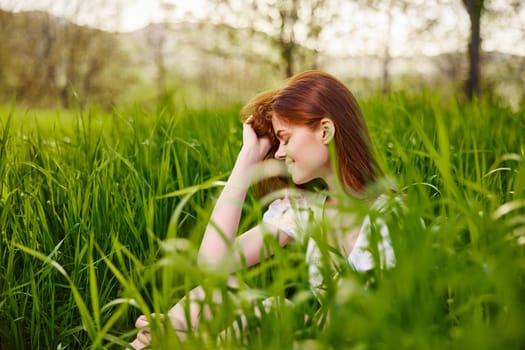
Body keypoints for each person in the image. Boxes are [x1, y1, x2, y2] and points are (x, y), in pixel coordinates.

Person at [129, 70, 396, 349]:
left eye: (286, 138)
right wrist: (247, 159)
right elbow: (213, 263)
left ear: (325, 131)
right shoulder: (307, 211)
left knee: (273, 310)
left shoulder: (387, 216)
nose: (279, 153)